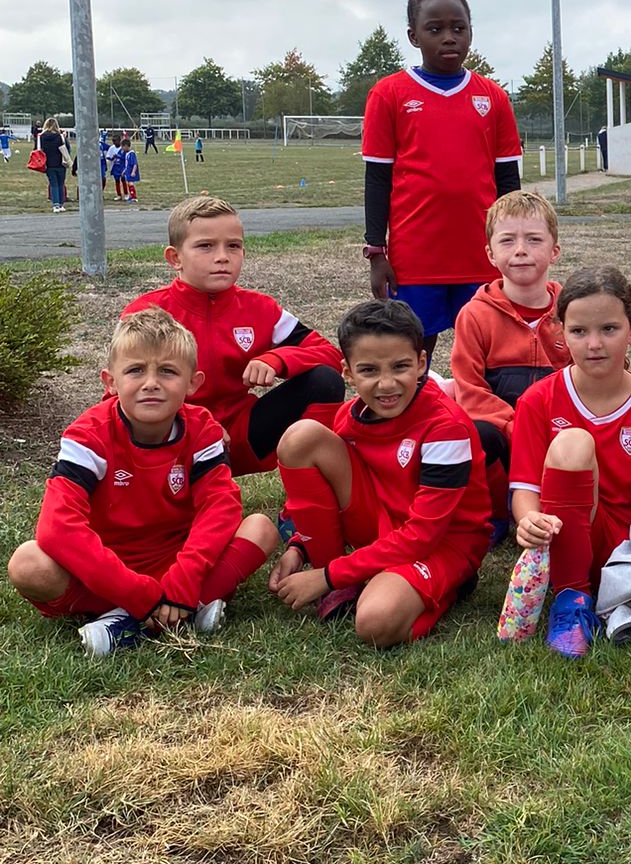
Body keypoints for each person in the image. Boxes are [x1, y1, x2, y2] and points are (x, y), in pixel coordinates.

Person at [7, 308, 279, 656]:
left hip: (177, 561)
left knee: (260, 528)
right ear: (110, 382)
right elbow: (57, 528)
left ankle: (130, 621)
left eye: (168, 371)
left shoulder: (203, 429)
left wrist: (183, 579)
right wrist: (137, 594)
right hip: (108, 568)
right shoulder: (88, 435)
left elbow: (219, 509)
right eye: (136, 370)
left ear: (193, 383)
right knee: (28, 564)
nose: (151, 383)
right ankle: (185, 609)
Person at [270, 298, 492, 646]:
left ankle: (450, 585)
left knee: (375, 623)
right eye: (369, 370)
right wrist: (300, 545)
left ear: (421, 363)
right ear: (347, 372)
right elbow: (321, 492)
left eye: (400, 367)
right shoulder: (350, 415)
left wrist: (326, 576)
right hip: (381, 525)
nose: (387, 384)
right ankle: (342, 585)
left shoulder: (446, 428)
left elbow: (423, 535)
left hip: (441, 542)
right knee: (301, 437)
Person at [507, 265, 631, 659]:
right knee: (573, 443)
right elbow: (525, 488)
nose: (594, 344)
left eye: (609, 329)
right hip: (570, 538)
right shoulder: (538, 401)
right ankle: (572, 599)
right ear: (561, 332)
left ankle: (621, 598)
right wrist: (528, 520)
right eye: (579, 331)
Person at [123, 196, 345, 476]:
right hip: (175, 434)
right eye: (205, 246)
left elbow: (330, 355)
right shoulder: (148, 312)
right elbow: (122, 392)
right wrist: (198, 426)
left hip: (241, 434)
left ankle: (306, 485)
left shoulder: (261, 309)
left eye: (233, 246)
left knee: (325, 381)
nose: (222, 257)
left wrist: (276, 359)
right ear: (175, 258)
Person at [361, 0, 522, 360]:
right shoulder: (389, 94)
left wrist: (513, 242)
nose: (449, 37)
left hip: (481, 255)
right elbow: (378, 179)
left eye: (458, 28)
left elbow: (508, 183)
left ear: (470, 32)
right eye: (435, 29)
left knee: (491, 351)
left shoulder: (493, 97)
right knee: (413, 351)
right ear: (413, 36)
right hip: (416, 258)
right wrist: (376, 252)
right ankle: (419, 400)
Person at [449, 191, 569, 439]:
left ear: (554, 251)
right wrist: (520, 429)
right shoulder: (474, 316)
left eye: (534, 239)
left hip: (561, 432)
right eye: (507, 241)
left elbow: (589, 382)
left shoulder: (573, 311)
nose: (521, 250)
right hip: (502, 431)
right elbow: (470, 391)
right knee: (480, 435)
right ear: (490, 254)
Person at [38, 117, 67, 212]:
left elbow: (39, 150)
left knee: (53, 184)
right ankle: (61, 204)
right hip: (60, 163)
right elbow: (66, 148)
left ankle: (56, 205)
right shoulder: (60, 136)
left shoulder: (42, 137)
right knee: (61, 184)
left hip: (48, 163)